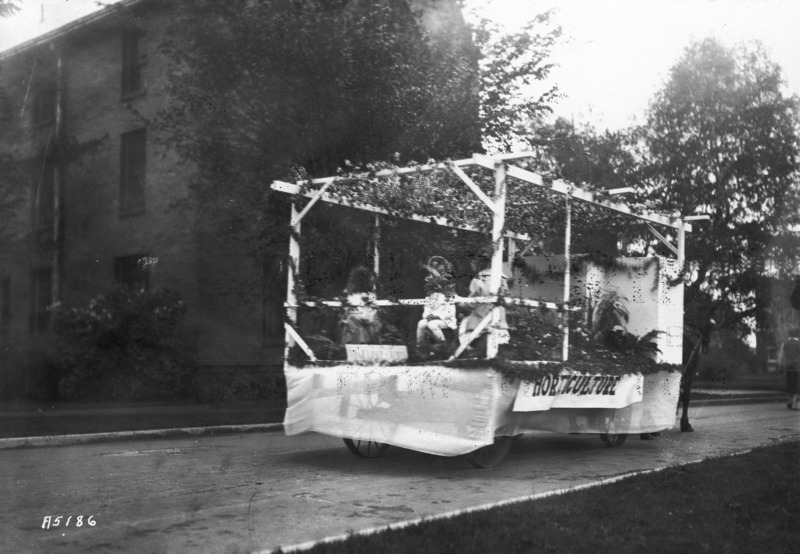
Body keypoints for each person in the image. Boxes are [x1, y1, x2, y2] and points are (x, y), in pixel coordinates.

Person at [459, 256, 510, 353]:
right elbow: (505, 297)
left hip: (481, 314)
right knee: (500, 327)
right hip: (499, 314)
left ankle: (467, 349)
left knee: (465, 324)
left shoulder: (479, 279)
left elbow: (473, 302)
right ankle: (503, 344)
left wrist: (461, 304)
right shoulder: (503, 278)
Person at [416, 257, 457, 355]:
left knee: (432, 324)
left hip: (446, 319)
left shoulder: (448, 291)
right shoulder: (430, 295)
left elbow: (451, 310)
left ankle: (442, 344)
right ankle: (420, 347)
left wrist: (439, 317)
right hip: (432, 318)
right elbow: (426, 310)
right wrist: (427, 316)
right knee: (421, 323)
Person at [340, 266, 381, 345]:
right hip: (366, 323)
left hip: (353, 324)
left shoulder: (348, 291)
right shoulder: (370, 294)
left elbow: (344, 305)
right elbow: (372, 312)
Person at [778, 327, 800, 410]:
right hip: (797, 367)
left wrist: (781, 366)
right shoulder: (799, 343)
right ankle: (794, 403)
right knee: (797, 385)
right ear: (797, 334)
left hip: (788, 367)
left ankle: (790, 401)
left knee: (790, 384)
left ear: (789, 334)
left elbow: (781, 356)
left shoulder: (785, 344)